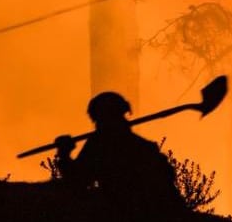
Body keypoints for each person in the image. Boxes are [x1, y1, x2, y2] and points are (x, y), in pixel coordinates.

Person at [54, 91, 183, 214]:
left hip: (123, 218)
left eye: (97, 120)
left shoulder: (100, 145)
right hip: (153, 217)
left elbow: (78, 180)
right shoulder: (145, 147)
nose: (97, 125)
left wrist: (64, 154)